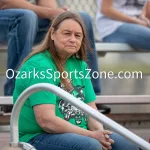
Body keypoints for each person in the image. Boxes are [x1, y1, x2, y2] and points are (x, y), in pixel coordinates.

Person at [13, 11, 139, 150]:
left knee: (127, 146)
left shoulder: (80, 65)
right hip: (38, 137)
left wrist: (101, 134)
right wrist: (92, 136)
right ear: (52, 34)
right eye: (67, 33)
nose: (73, 39)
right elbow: (46, 121)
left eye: (77, 35)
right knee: (91, 146)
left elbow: (92, 111)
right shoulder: (39, 66)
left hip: (80, 134)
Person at [0, 0, 101, 112]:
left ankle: (91, 96)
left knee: (81, 18)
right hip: (12, 19)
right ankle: (15, 95)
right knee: (26, 17)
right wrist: (50, 12)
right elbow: (6, 3)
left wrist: (59, 14)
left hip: (30, 21)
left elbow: (48, 5)